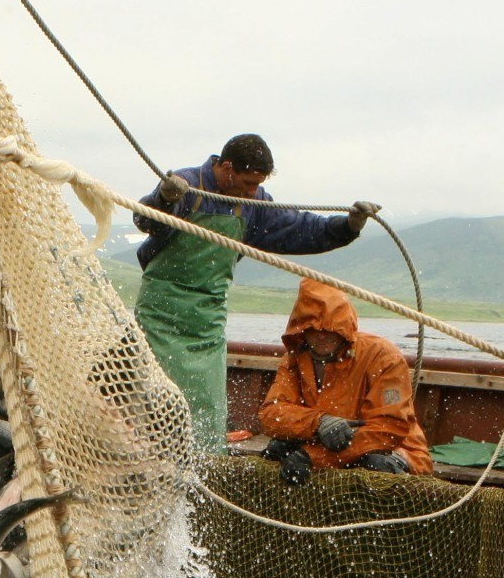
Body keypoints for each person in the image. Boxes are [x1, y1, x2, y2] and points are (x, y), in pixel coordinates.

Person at [133, 133, 380, 449]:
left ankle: (204, 464)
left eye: (258, 184)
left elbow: (300, 229)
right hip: (160, 312)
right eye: (249, 182)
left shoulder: (253, 205)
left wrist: (348, 226)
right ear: (226, 167)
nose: (253, 191)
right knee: (158, 396)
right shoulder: (187, 185)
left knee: (207, 405)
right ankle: (151, 456)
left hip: (208, 319)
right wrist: (165, 199)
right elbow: (146, 219)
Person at [258, 278, 433, 485]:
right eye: (314, 328)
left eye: (331, 328)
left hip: (392, 450)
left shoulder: (384, 357)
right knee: (277, 450)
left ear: (344, 328)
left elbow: (388, 428)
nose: (322, 335)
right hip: (322, 444)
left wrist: (312, 456)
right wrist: (318, 423)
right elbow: (271, 414)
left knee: (375, 465)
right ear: (301, 330)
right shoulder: (295, 359)